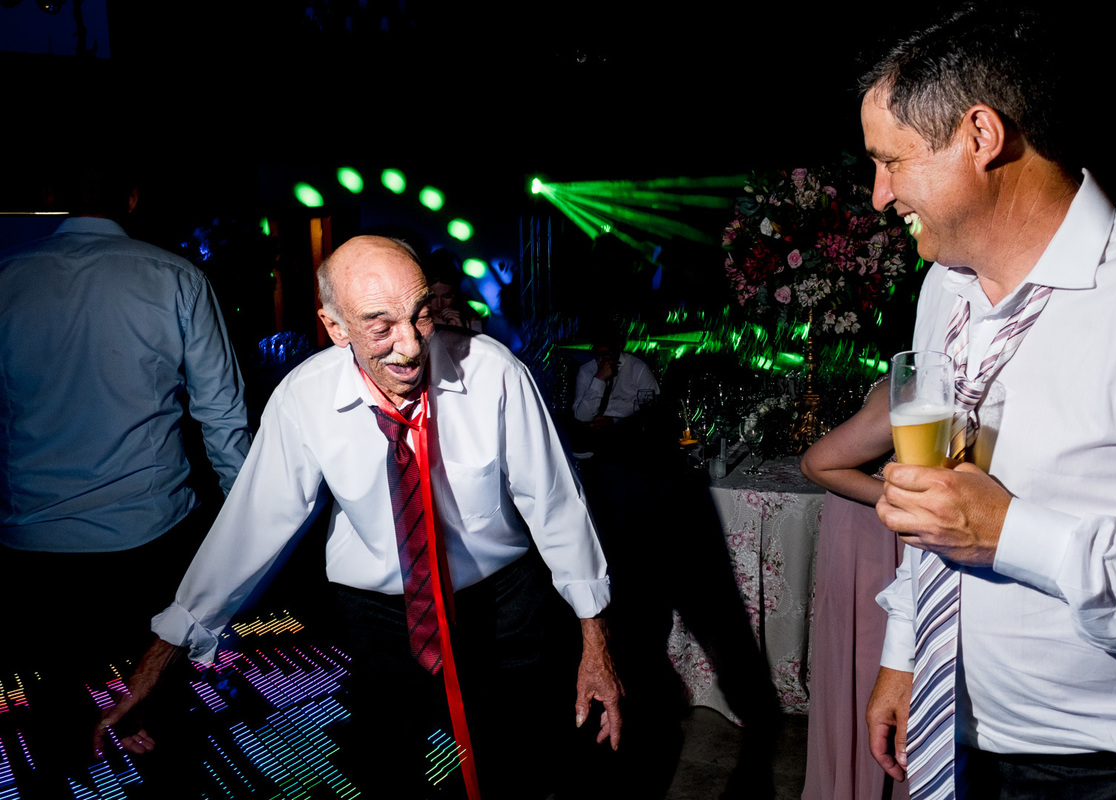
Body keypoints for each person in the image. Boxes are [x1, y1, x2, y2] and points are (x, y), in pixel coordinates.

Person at [93, 235, 622, 799]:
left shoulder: (493, 373)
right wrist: (159, 660)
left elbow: (557, 505)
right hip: (380, 616)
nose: (412, 347)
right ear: (336, 326)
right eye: (379, 326)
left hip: (499, 602)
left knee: (515, 759)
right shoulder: (305, 399)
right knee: (387, 766)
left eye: (419, 315)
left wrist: (597, 645)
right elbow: (248, 530)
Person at [860, 7, 1116, 798]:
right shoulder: (943, 287)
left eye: (892, 162)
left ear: (980, 136)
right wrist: (907, 652)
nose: (879, 195)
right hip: (959, 725)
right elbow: (937, 491)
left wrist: (1010, 533)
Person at [0, 167, 251, 793]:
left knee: (55, 695)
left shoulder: (4, 279)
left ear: (49, 193)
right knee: (161, 690)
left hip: (34, 537)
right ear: (133, 199)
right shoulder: (176, 277)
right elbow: (221, 415)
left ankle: (62, 774)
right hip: (151, 530)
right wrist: (249, 522)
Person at [800, 381, 908, 800]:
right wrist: (911, 499)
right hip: (871, 541)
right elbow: (817, 465)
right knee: (870, 671)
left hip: (893, 537)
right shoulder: (910, 387)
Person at [573, 336, 660, 426]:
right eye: (600, 353)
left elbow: (652, 410)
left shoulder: (637, 368)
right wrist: (599, 378)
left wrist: (615, 421)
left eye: (609, 352)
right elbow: (581, 416)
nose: (603, 358)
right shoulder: (586, 370)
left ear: (619, 347)